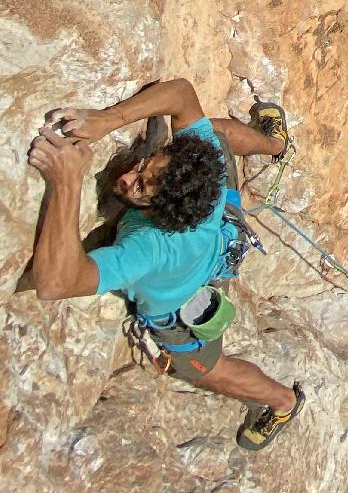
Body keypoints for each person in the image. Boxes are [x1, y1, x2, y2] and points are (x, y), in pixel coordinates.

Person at [27, 77, 305, 452]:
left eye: (140, 187)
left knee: (212, 369)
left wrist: (67, 182)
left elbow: (57, 283)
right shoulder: (200, 168)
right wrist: (109, 120)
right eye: (143, 166)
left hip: (178, 310)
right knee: (215, 132)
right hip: (222, 227)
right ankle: (275, 143)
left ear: (164, 213)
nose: (127, 177)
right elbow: (182, 94)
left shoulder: (151, 247)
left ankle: (283, 403)